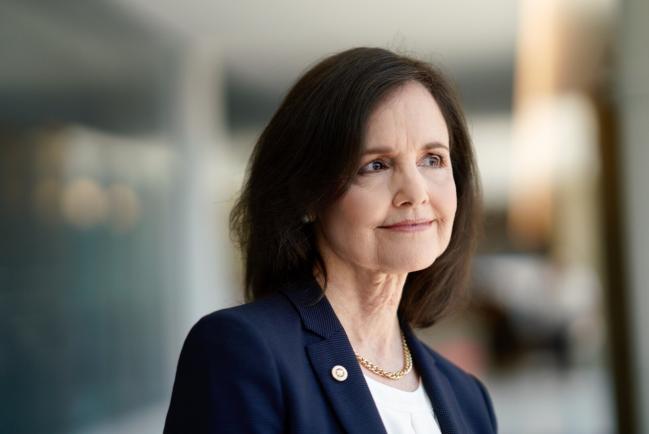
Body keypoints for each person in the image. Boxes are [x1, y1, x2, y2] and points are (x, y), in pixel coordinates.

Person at [163, 47, 497, 434]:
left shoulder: (469, 398)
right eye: (376, 165)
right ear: (308, 194)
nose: (416, 192)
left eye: (433, 159)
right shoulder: (241, 351)